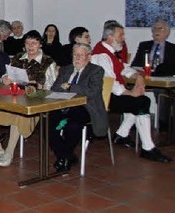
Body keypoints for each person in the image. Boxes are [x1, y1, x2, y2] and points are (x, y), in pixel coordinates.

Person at [90, 22, 171, 163]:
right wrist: (129, 92)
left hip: (113, 93)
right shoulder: (101, 55)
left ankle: (122, 134)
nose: (123, 38)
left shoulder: (111, 51)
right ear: (110, 37)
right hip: (105, 97)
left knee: (139, 101)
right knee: (142, 101)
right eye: (120, 35)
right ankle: (147, 148)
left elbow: (123, 68)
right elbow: (110, 83)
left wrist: (137, 76)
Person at [0, 30, 57, 167]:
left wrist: (38, 85)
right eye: (27, 43)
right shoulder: (17, 57)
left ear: (40, 45)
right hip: (13, 96)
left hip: (33, 100)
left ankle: (9, 152)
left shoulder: (48, 61)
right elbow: (5, 75)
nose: (30, 46)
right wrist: (4, 79)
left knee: (19, 113)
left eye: (34, 43)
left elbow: (51, 86)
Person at [48, 43, 108, 172]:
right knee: (47, 124)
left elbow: (92, 92)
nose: (77, 58)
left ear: (89, 57)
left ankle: (64, 158)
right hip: (63, 105)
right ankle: (67, 156)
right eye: (75, 55)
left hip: (86, 107)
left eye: (81, 55)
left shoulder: (96, 70)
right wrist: (71, 89)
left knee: (73, 126)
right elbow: (55, 88)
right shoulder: (65, 69)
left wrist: (70, 87)